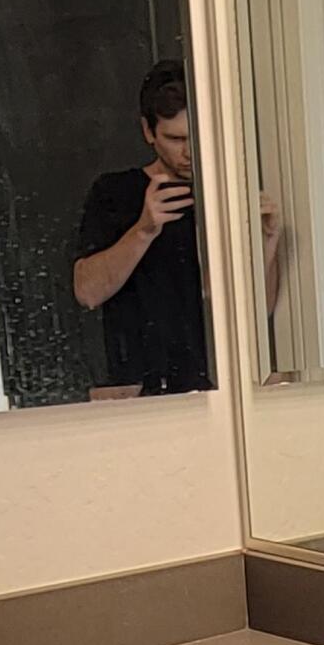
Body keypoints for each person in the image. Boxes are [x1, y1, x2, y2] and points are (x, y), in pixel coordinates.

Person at [71, 60, 211, 395]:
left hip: (212, 386)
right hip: (136, 387)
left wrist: (268, 240)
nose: (190, 152)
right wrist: (144, 229)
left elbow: (257, 308)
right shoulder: (115, 193)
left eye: (198, 136)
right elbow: (87, 292)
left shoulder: (225, 198)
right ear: (148, 132)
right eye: (175, 139)